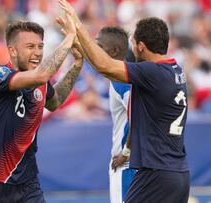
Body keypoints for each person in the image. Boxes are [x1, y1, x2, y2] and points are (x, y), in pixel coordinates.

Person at [58, 1, 190, 202]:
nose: (131, 45)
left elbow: (105, 66)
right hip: (179, 172)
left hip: (155, 172)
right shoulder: (175, 70)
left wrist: (78, 27)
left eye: (133, 40)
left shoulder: (151, 73)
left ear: (141, 46)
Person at [0, 19, 83, 202]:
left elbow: (54, 103)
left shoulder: (40, 81)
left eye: (40, 46)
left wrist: (77, 64)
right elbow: (42, 74)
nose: (37, 53)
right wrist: (70, 37)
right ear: (13, 50)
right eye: (30, 46)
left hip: (27, 180)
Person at [93, 26, 137, 203]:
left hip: (127, 165)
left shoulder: (121, 80)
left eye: (99, 46)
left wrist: (126, 152)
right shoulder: (131, 77)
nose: (95, 51)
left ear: (115, 51)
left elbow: (139, 114)